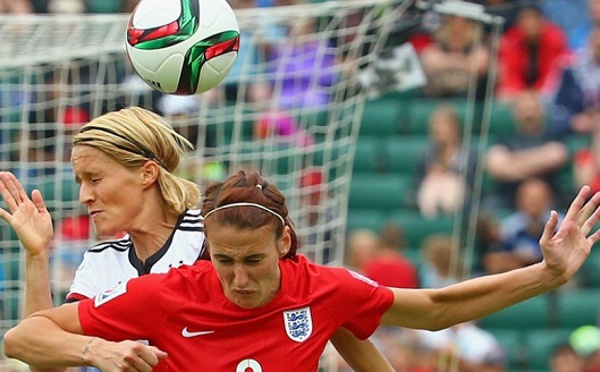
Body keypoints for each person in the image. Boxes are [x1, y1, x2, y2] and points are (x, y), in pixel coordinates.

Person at [4, 169, 600, 371]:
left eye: (253, 261)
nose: (237, 278)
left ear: (285, 242)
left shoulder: (323, 290)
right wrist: (97, 352)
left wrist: (544, 276)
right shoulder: (164, 295)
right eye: (224, 261)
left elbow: (437, 309)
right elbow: (23, 336)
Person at [0, 107, 395, 371]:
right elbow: (44, 360)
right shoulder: (101, 262)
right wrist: (38, 256)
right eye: (80, 182)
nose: (84, 196)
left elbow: (328, 311)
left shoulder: (220, 239)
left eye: (95, 179)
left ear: (146, 173)